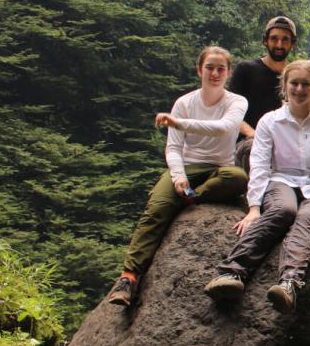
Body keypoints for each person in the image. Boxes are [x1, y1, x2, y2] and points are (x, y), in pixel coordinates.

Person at [107, 46, 249, 306]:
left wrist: (178, 122)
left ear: (228, 73)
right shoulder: (184, 103)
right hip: (188, 166)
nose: (215, 73)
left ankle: (190, 200)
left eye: (221, 69)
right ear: (199, 70)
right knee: (156, 209)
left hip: (219, 167)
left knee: (238, 177)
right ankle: (128, 277)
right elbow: (173, 148)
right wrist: (178, 177)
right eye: (210, 68)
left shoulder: (236, 102)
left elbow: (224, 129)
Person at [204, 60, 310, 313]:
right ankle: (232, 272)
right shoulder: (271, 121)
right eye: (294, 83)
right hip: (281, 181)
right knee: (284, 210)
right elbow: (259, 166)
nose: (299, 89)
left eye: (305, 84)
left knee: (308, 217)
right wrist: (254, 207)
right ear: (285, 86)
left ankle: (289, 283)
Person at [231, 15, 297, 172]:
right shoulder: (246, 70)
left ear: (292, 44)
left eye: (285, 40)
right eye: (274, 39)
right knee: (256, 149)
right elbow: (230, 111)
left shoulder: (295, 78)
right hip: (249, 142)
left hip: (285, 143)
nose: (279, 44)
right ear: (265, 40)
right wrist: (254, 134)